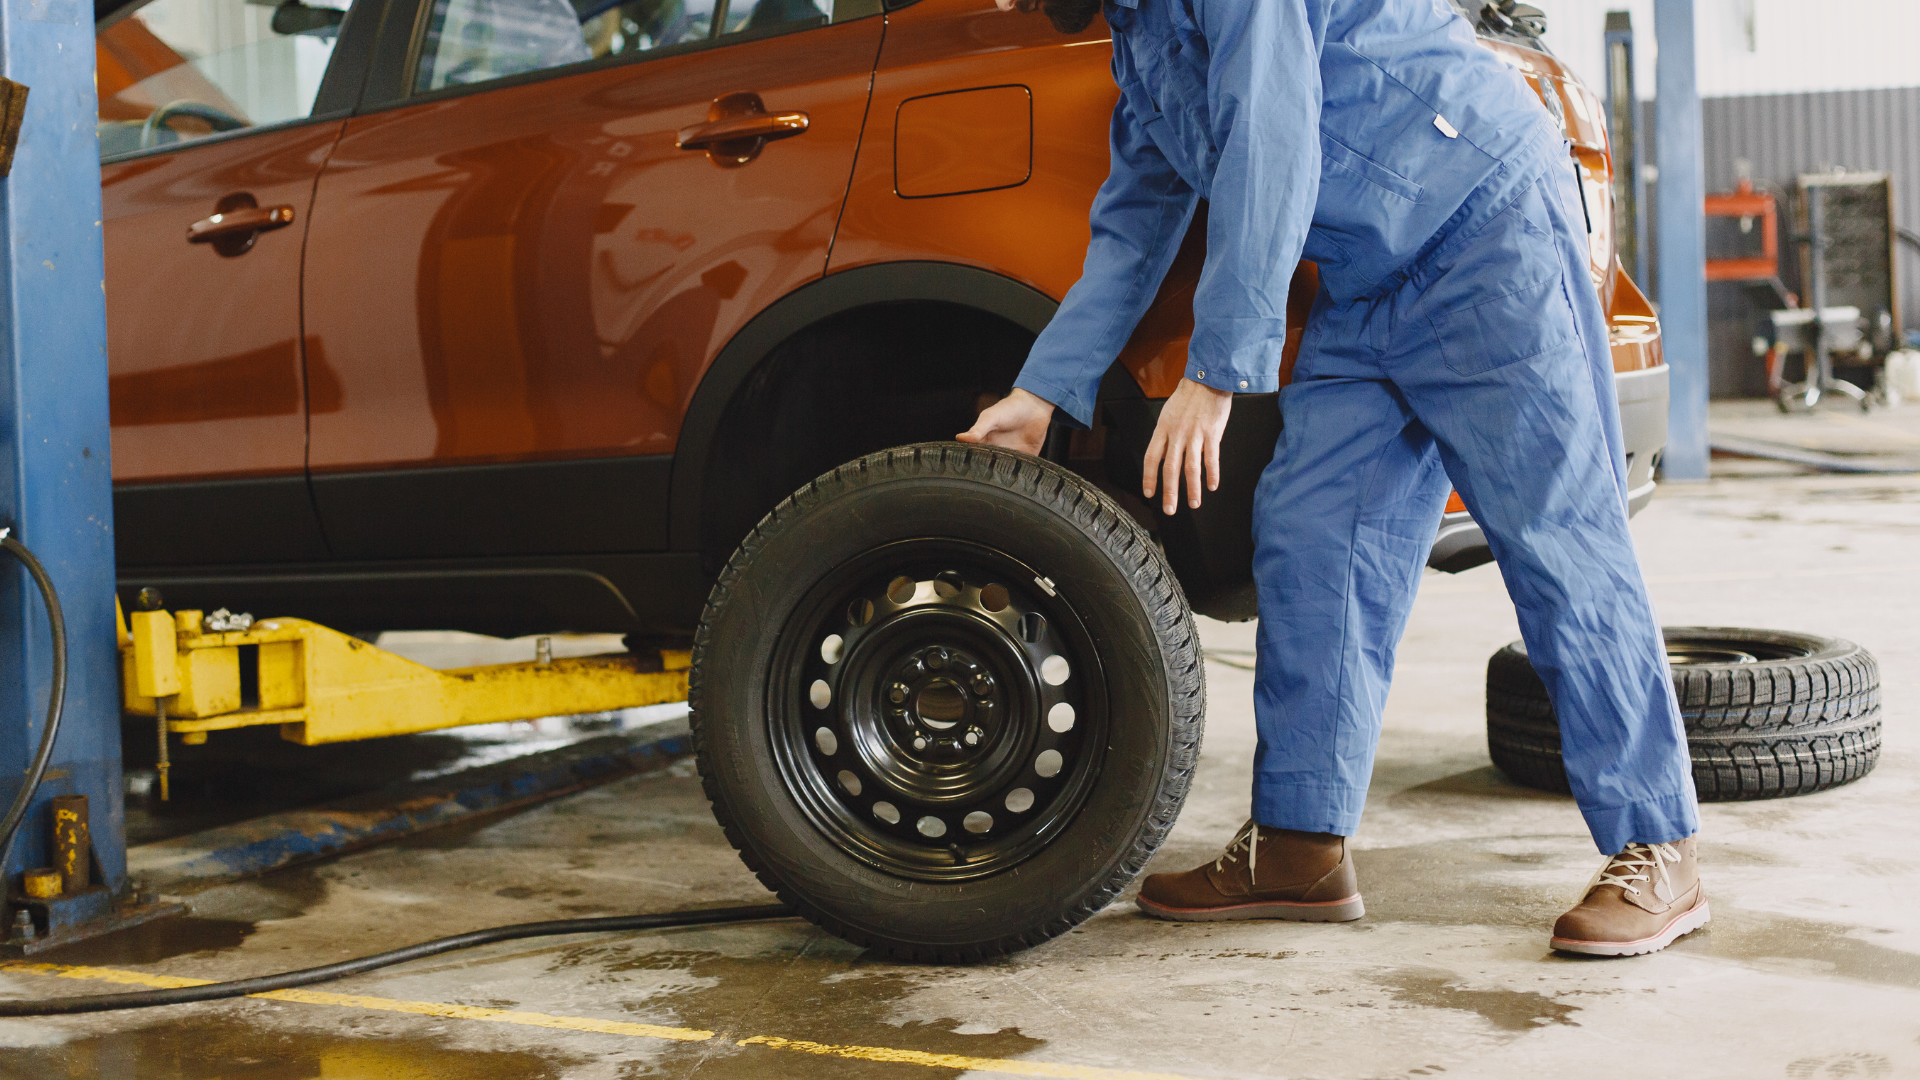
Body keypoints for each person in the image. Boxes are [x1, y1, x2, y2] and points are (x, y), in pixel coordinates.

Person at [958, 0, 1707, 957]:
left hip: (1483, 228)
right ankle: (1300, 844)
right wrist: (1043, 391)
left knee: (1557, 540)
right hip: (1368, 283)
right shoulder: (1142, 40)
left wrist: (1219, 372)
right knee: (1314, 538)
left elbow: (1272, 132)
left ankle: (1659, 843)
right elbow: (1140, 218)